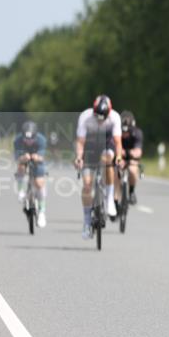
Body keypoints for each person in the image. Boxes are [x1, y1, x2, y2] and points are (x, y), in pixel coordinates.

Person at [74, 95, 123, 240]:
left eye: (103, 118)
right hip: (89, 145)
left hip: (107, 144)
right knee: (87, 185)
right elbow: (80, 142)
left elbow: (118, 142)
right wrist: (78, 157)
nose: (100, 120)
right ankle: (87, 221)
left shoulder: (115, 117)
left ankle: (109, 201)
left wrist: (119, 156)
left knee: (109, 160)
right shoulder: (85, 117)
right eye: (97, 117)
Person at [14, 121, 48, 228]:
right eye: (26, 139)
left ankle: (42, 211)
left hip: (37, 161)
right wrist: (24, 157)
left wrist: (36, 157)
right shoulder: (17, 140)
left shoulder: (41, 140)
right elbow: (17, 157)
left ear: (35, 136)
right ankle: (21, 191)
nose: (28, 141)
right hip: (24, 159)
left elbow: (42, 157)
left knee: (39, 183)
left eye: (31, 139)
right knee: (21, 167)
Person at [119, 111, 143, 205]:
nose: (124, 134)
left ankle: (131, 191)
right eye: (123, 131)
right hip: (119, 156)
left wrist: (129, 153)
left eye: (127, 131)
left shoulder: (137, 133)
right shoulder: (116, 133)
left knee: (133, 170)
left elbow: (138, 151)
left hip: (131, 157)